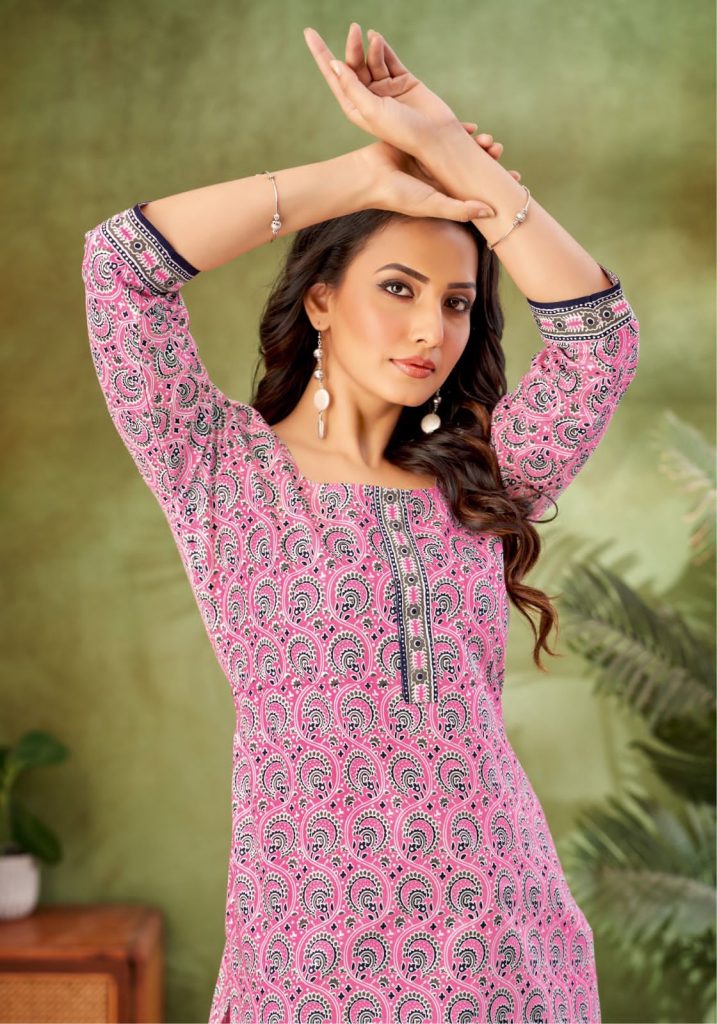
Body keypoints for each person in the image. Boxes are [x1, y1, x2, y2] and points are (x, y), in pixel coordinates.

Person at [81, 22, 639, 1024]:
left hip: (502, 942)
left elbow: (599, 344)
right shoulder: (219, 468)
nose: (432, 329)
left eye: (457, 303)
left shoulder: (480, 481)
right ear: (321, 300)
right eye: (398, 288)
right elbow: (120, 266)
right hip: (308, 953)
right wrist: (357, 176)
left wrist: (456, 160)